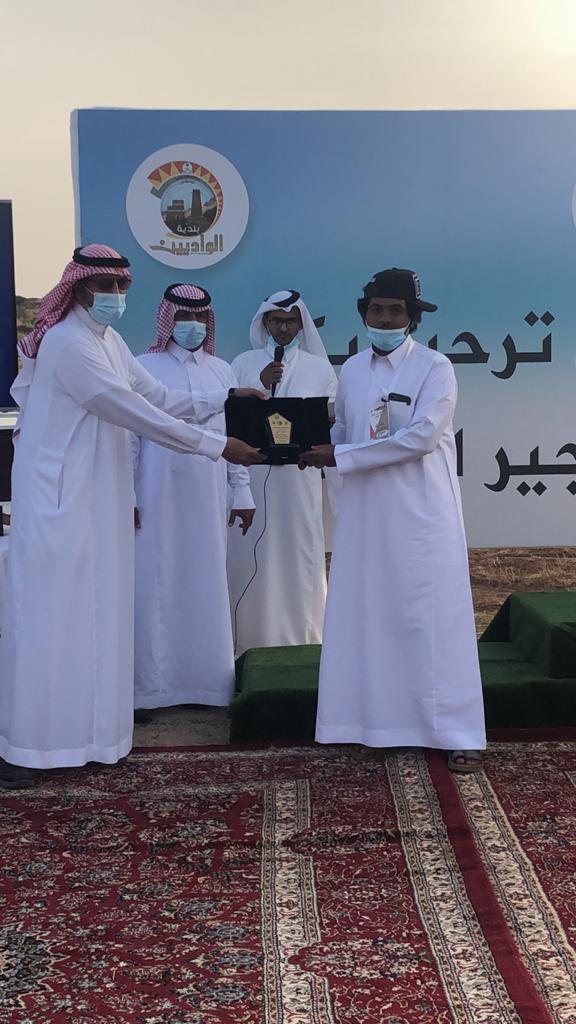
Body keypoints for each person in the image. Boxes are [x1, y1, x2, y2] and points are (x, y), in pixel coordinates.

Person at [0, 245, 264, 788]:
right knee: (54, 619)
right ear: (79, 289)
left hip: (99, 500)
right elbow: (133, 412)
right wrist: (216, 446)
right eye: (106, 287)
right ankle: (32, 747)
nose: (116, 296)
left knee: (100, 616)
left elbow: (160, 396)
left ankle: (94, 739)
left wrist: (228, 396)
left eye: (123, 287)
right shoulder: (68, 343)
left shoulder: (108, 341)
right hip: (59, 502)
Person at [300, 268, 486, 771]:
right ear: (365, 313)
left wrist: (342, 455)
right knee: (368, 613)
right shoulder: (352, 369)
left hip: (421, 513)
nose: (384, 319)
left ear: (412, 318)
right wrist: (302, 445)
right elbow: (342, 428)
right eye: (377, 309)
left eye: (395, 311)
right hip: (365, 512)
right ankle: (367, 723)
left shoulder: (435, 367)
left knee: (432, 619)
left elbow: (421, 437)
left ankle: (457, 732)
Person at [133, 284, 255, 714]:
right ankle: (150, 691)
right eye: (184, 316)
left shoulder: (222, 371)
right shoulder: (143, 367)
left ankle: (207, 686)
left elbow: (234, 436)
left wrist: (242, 492)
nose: (193, 325)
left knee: (206, 579)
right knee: (155, 583)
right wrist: (128, 494)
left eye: (201, 317)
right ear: (168, 319)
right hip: (155, 491)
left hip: (209, 491)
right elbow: (129, 437)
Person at [227, 290, 338, 656]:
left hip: (299, 479)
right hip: (252, 475)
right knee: (252, 555)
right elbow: (230, 415)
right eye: (276, 320)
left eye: (291, 321)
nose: (284, 328)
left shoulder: (318, 368)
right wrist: (261, 383)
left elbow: (332, 416)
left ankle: (303, 639)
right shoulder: (243, 363)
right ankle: (250, 641)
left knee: (299, 553)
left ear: (301, 325)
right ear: (265, 323)